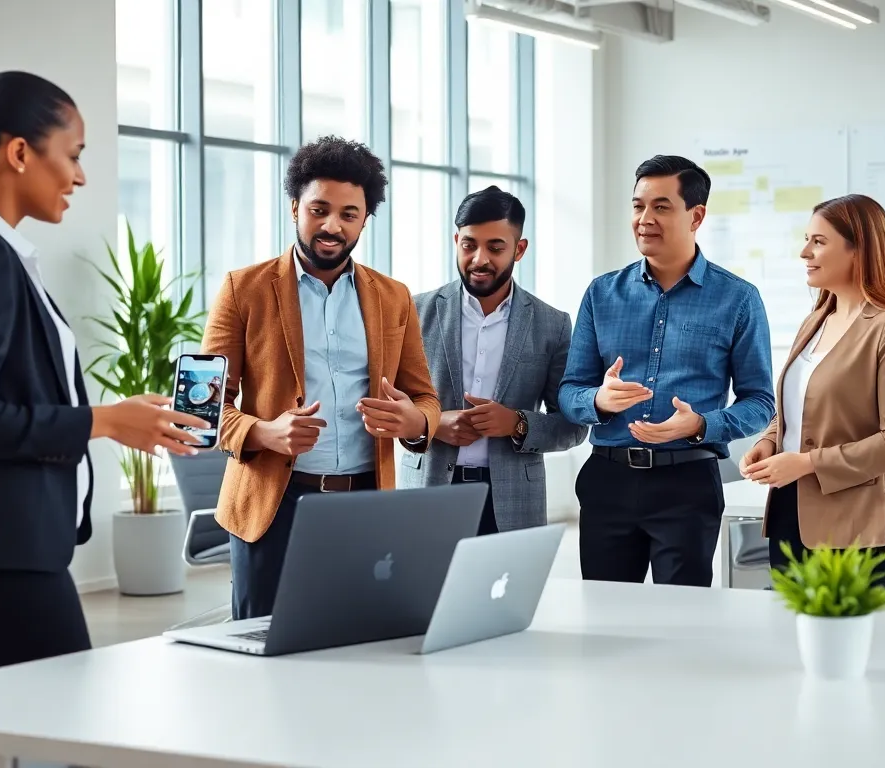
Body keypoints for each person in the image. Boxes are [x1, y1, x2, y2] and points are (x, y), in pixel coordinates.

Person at [0, 55, 209, 677]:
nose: (81, 176)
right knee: (59, 724)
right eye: (73, 154)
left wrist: (112, 417)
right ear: (19, 153)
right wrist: (105, 421)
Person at [201, 135, 441, 620]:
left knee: (359, 650)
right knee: (264, 653)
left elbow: (425, 399)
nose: (332, 225)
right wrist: (265, 432)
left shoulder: (393, 297)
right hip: (273, 505)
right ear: (295, 208)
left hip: (366, 505)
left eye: (349, 214)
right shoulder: (242, 289)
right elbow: (200, 411)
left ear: (365, 220)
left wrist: (412, 421)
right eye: (319, 209)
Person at [558, 154, 775, 587]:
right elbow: (569, 391)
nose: (644, 219)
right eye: (638, 206)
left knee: (681, 624)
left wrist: (700, 424)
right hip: (608, 480)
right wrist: (597, 400)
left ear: (696, 216)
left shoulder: (738, 299)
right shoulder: (601, 294)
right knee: (605, 618)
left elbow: (761, 402)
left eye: (661, 207)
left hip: (687, 484)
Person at [739, 194, 885, 579]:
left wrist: (807, 463)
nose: (804, 252)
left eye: (819, 241)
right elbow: (797, 407)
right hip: (788, 510)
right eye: (807, 239)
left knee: (842, 638)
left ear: (859, 249)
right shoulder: (816, 320)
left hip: (853, 526)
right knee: (788, 635)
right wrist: (769, 439)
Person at [401, 186, 588, 533]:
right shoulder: (414, 311)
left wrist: (517, 423)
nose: (479, 259)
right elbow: (388, 405)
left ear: (519, 249)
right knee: (426, 589)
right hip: (428, 491)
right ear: (456, 240)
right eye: (469, 245)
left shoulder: (553, 324)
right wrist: (434, 423)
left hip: (513, 500)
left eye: (495, 247)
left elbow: (574, 426)